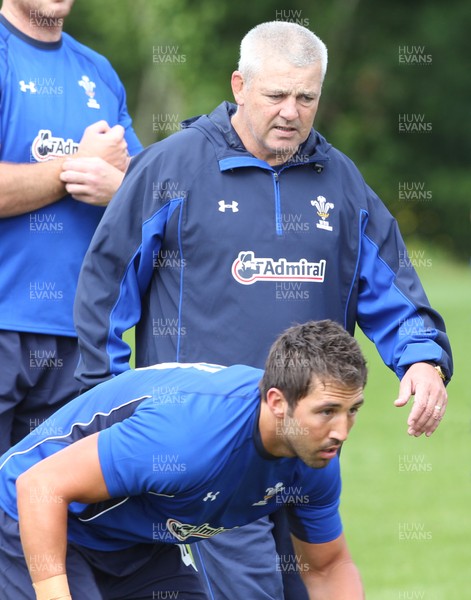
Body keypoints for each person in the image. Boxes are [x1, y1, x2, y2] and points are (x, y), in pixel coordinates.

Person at [73, 21, 453, 600]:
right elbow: (104, 291)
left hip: (309, 444)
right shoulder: (172, 169)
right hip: (209, 444)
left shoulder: (342, 183)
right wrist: (111, 410)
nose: (291, 112)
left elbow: (394, 289)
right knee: (249, 589)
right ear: (240, 86)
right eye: (276, 95)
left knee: (310, 584)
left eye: (306, 97)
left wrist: (422, 360)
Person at [0, 320, 367, 600]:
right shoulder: (189, 438)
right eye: (327, 411)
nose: (342, 431)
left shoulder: (315, 456)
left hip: (134, 542)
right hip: (33, 514)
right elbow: (39, 486)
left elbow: (327, 567)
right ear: (276, 402)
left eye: (352, 411)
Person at [0, 0, 142, 454]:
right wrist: (74, 168)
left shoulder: (96, 72)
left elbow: (142, 188)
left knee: (45, 513)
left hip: (81, 340)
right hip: (4, 328)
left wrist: (117, 186)